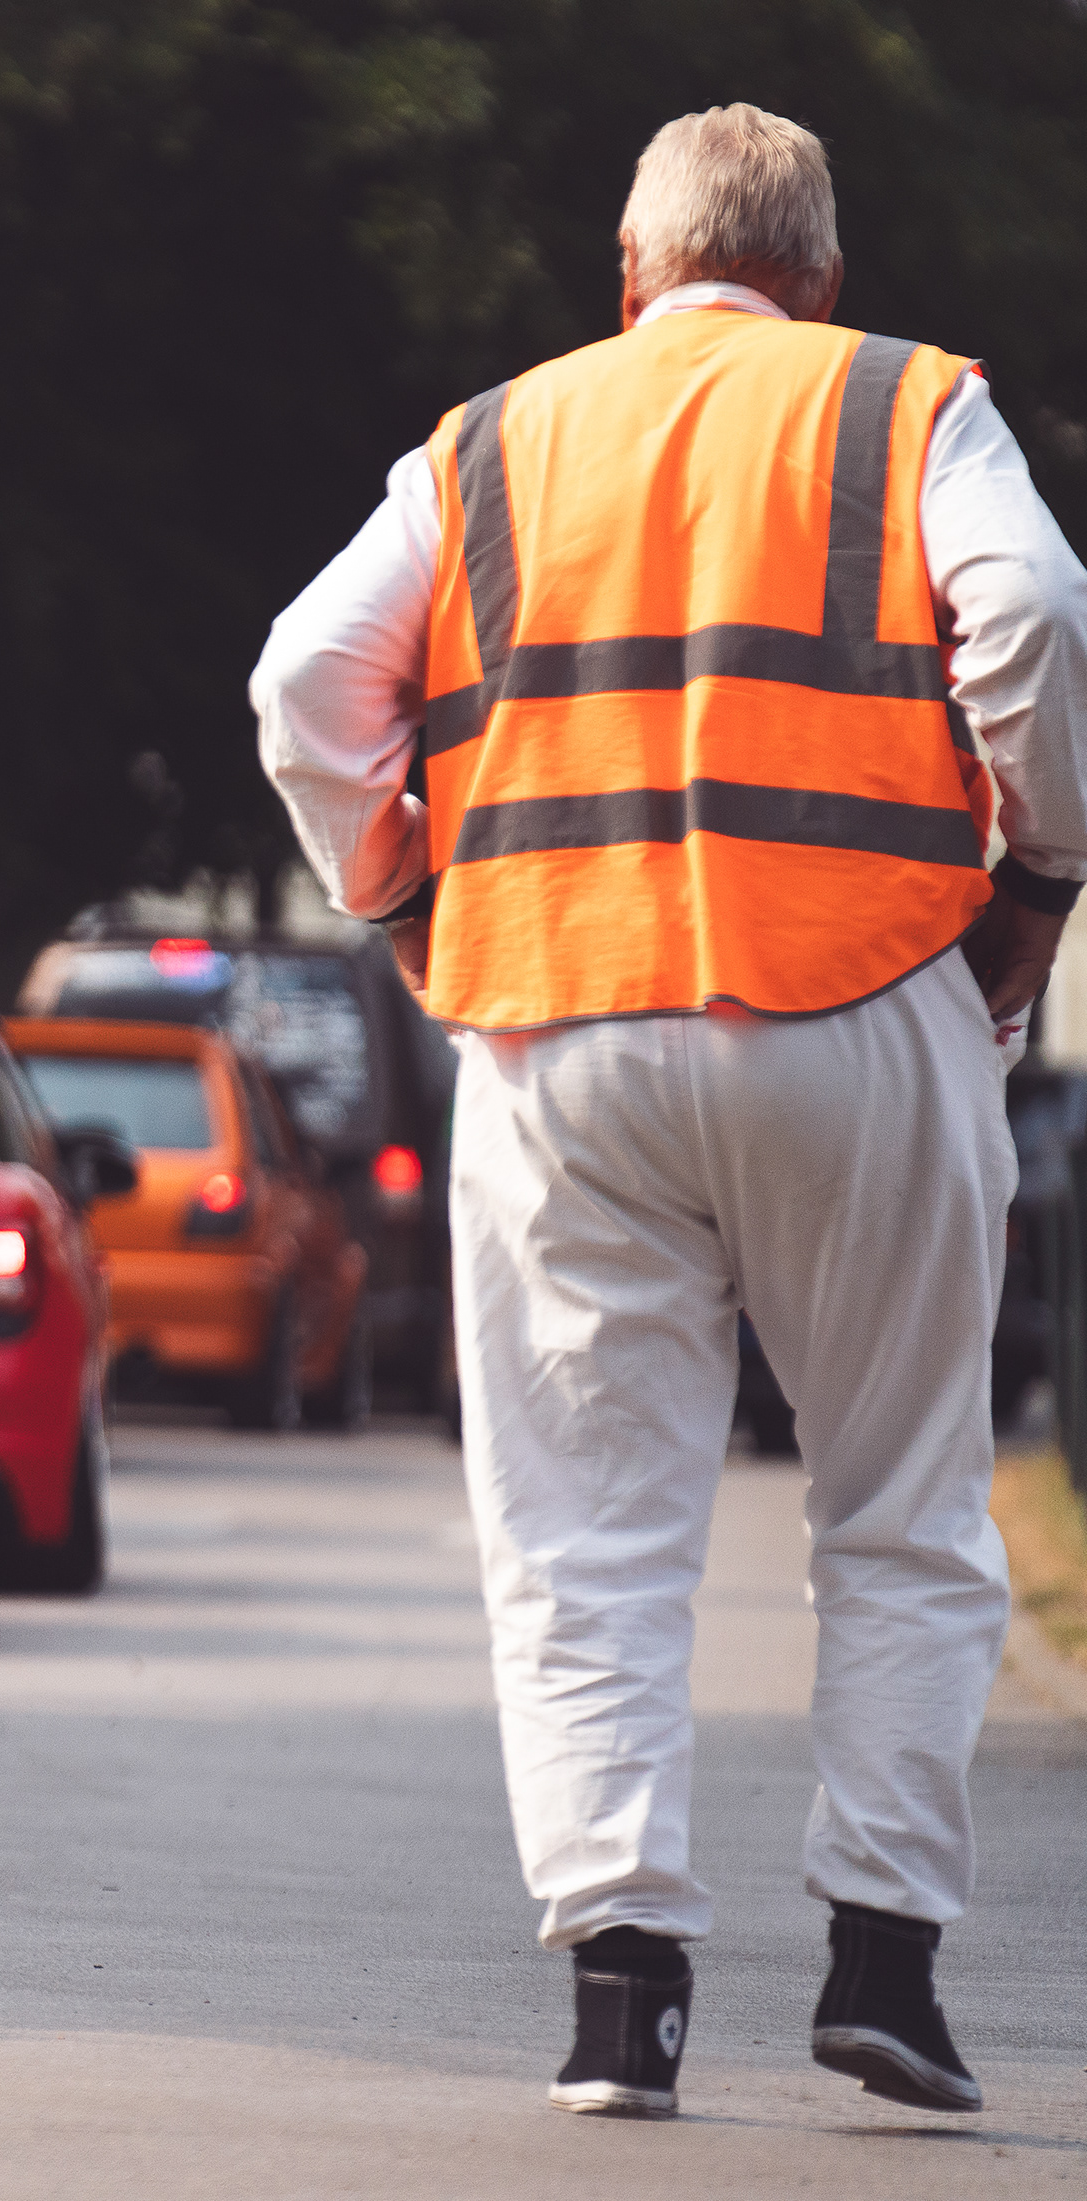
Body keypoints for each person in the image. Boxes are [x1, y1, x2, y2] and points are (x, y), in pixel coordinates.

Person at [250, 103, 1087, 2120]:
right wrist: (1041, 877)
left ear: (629, 276)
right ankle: (885, 1967)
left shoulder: (488, 446)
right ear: (823, 279)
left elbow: (305, 684)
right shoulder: (908, 408)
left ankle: (623, 2000)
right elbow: (1041, 622)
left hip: (558, 1030)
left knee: (585, 1529)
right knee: (899, 1504)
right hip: (866, 1003)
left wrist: (404, 899)